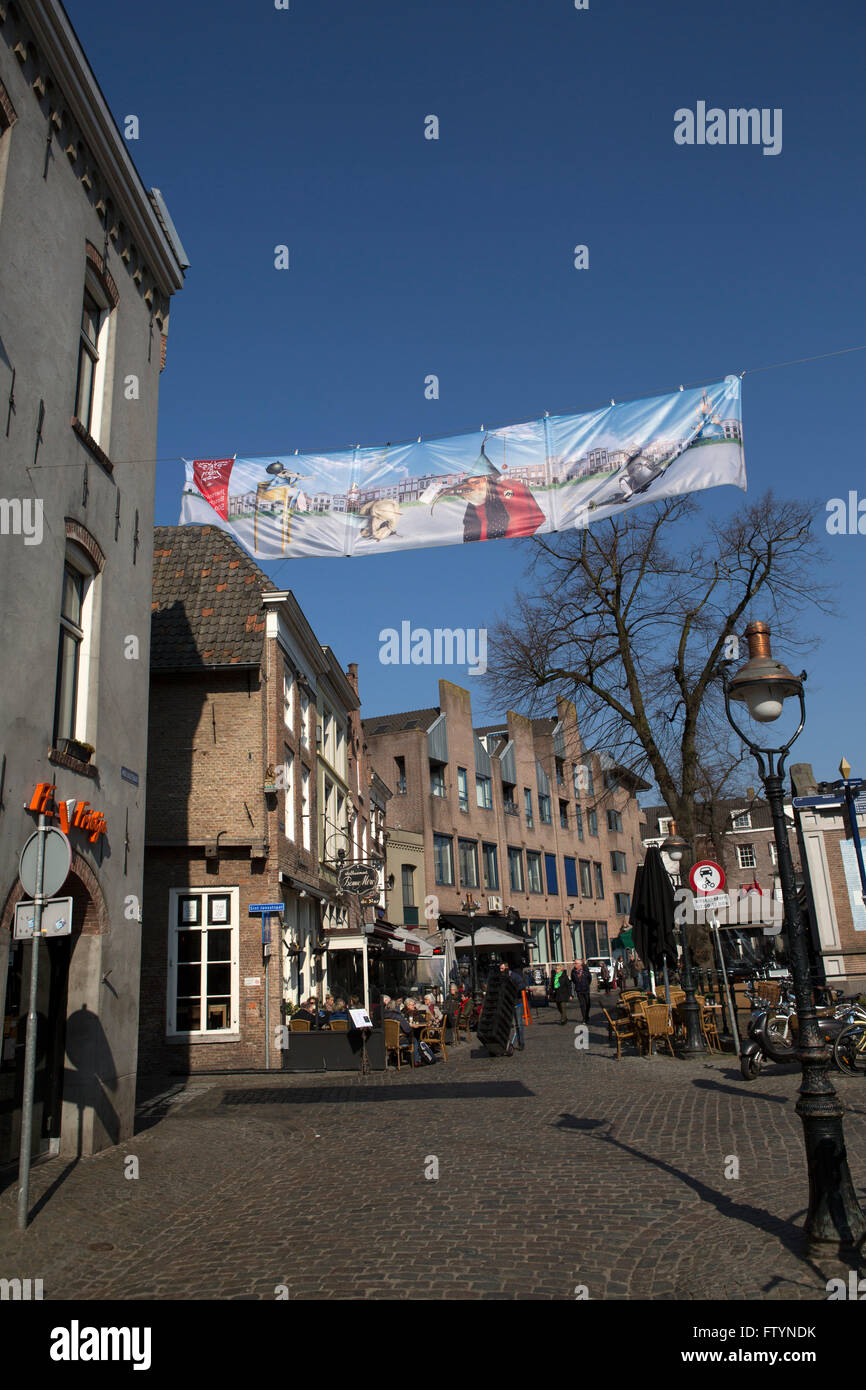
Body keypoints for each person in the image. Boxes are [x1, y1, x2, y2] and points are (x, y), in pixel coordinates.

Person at [382, 995, 422, 1065]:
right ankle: (416, 1060)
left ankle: (395, 1059)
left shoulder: (384, 1016)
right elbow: (407, 1029)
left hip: (387, 1040)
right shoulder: (397, 1016)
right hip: (399, 1040)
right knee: (414, 1039)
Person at [500, 962, 526, 1050]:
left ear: (507, 968)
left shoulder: (514, 976)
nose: (501, 970)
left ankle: (521, 1043)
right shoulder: (501, 978)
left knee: (519, 1024)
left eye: (502, 969)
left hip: (516, 1003)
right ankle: (506, 1044)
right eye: (500, 969)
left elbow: (522, 985)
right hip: (507, 1004)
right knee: (506, 1024)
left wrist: (514, 989)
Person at [571, 959, 592, 1024]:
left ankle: (587, 1015)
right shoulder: (573, 971)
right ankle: (584, 1018)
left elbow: (589, 978)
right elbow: (573, 980)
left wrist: (586, 984)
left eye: (576, 963)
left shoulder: (585, 970)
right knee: (582, 1004)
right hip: (579, 990)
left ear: (580, 964)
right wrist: (578, 984)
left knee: (588, 1004)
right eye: (574, 963)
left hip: (586, 989)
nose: (575, 964)